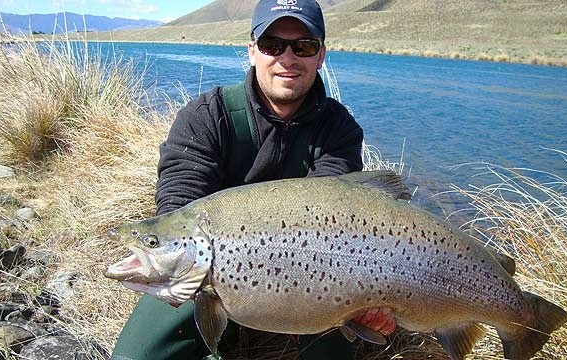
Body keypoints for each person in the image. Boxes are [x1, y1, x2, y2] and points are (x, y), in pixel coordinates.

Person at [111, 1, 395, 359]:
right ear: (252, 51)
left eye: (303, 46)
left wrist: (368, 306)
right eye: (272, 45)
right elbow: (178, 206)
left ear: (321, 55)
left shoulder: (339, 130)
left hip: (315, 276)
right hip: (203, 276)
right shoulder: (206, 116)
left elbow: (336, 217)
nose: (287, 58)